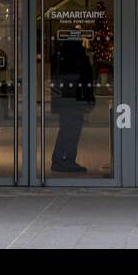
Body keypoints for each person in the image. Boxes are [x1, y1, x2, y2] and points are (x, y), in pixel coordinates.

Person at [50, 35, 95, 174]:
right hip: (76, 100)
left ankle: (58, 159)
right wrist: (90, 100)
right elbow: (87, 78)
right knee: (73, 131)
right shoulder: (81, 57)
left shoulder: (59, 55)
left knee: (64, 130)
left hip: (64, 100)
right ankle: (68, 160)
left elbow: (54, 78)